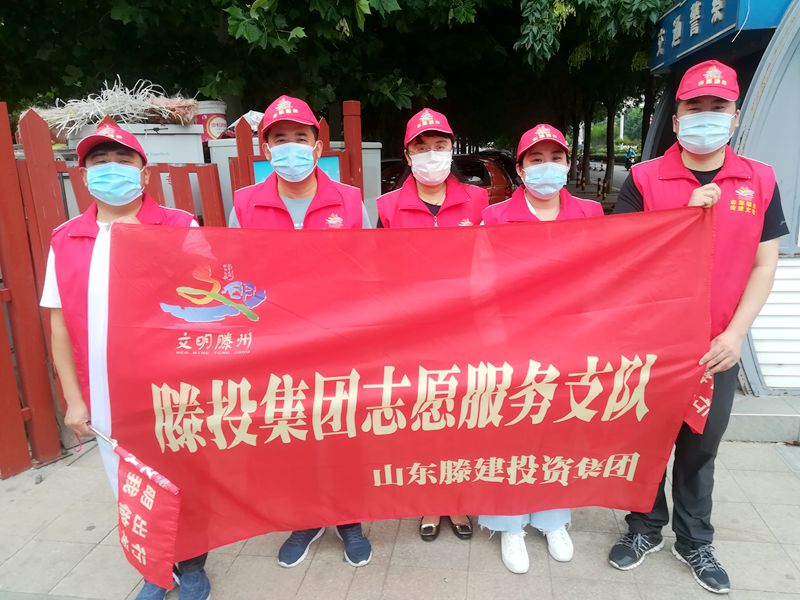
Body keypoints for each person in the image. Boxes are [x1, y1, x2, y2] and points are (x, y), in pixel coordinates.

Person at [607, 60, 789, 595]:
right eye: (694, 107)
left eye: (718, 107)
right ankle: (644, 527)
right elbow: (623, 256)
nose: (705, 116)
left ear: (735, 116)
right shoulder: (645, 179)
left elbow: (764, 264)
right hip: (653, 344)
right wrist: (683, 218)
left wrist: (735, 335)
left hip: (718, 346)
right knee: (645, 441)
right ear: (676, 117)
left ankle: (695, 540)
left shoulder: (759, 179)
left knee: (700, 447)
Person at [41, 124, 211, 600]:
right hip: (106, 393)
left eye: (122, 161)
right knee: (129, 484)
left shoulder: (179, 227)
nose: (110, 170)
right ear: (83, 175)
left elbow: (207, 300)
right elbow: (59, 326)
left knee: (183, 478)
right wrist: (74, 399)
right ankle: (157, 569)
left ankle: (192, 566)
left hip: (171, 386)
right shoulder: (66, 238)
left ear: (144, 172)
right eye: (99, 162)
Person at [230, 94, 373, 568]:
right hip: (277, 345)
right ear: (265, 148)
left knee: (342, 432)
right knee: (292, 435)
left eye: (299, 137)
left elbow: (369, 271)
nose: (290, 146)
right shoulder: (245, 203)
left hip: (339, 342)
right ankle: (305, 519)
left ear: (317, 145)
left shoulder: (347, 200)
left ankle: (349, 519)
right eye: (279, 138)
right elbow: (236, 277)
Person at [480, 124, 602, 574]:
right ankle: (509, 524)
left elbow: (604, 276)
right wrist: (494, 339)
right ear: (520, 168)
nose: (546, 167)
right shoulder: (495, 218)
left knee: (560, 432)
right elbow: (480, 282)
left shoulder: (590, 213)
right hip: (511, 343)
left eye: (555, 158)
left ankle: (553, 518)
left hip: (571, 342)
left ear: (568, 164)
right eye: (536, 159)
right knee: (509, 431)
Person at [376, 107, 488, 541]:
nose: (431, 155)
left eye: (439, 146)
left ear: (452, 149)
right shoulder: (387, 207)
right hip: (412, 333)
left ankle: (457, 501)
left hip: (466, 331)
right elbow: (378, 272)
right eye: (422, 148)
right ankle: (428, 500)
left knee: (460, 416)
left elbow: (495, 262)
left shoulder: (478, 201)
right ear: (408, 155)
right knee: (422, 417)